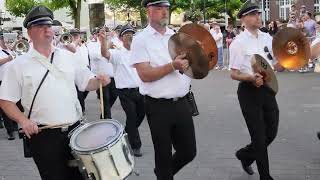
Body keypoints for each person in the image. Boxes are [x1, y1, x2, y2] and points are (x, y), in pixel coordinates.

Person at [0, 5, 110, 180]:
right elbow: (5, 100)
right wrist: (23, 120)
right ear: (30, 33)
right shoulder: (18, 65)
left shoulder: (68, 57)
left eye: (49, 26)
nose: (47, 30)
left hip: (75, 131)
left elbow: (86, 82)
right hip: (43, 135)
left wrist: (99, 81)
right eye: (41, 26)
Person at [130, 0, 197, 179]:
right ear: (148, 11)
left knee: (189, 152)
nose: (164, 12)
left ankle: (162, 174)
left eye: (166, 8)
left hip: (182, 102)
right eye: (159, 8)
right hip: (158, 106)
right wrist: (173, 66)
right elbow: (145, 74)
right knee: (163, 156)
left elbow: (188, 65)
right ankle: (164, 173)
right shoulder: (140, 39)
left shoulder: (176, 36)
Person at [229, 1, 282, 180]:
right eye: (253, 14)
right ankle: (265, 176)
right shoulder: (238, 43)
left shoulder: (267, 38)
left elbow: (274, 64)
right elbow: (234, 74)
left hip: (267, 89)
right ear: (244, 18)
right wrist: (251, 78)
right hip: (249, 92)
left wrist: (285, 64)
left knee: (272, 132)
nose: (258, 17)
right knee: (259, 137)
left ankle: (245, 155)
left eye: (259, 14)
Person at [99, 24, 145, 157]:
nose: (130, 36)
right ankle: (136, 145)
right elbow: (105, 53)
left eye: (132, 33)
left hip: (140, 91)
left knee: (140, 115)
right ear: (121, 38)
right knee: (131, 117)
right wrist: (103, 42)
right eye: (126, 34)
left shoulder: (140, 53)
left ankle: (127, 132)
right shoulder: (117, 54)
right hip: (126, 93)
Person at [0, 30, 19, 140]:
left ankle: (15, 126)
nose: (5, 41)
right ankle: (10, 131)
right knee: (5, 106)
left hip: (13, 81)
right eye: (3, 39)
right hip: (2, 82)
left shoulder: (11, 50)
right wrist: (8, 58)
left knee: (14, 104)